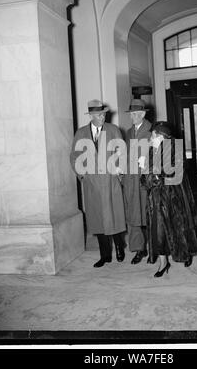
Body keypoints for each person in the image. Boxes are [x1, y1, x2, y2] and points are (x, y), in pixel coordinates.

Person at [140, 121, 197, 277]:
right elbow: (145, 180)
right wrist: (145, 170)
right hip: (156, 198)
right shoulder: (150, 151)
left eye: (153, 134)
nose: (151, 137)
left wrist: (153, 172)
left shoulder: (175, 150)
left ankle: (186, 253)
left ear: (160, 136)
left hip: (174, 198)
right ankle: (163, 263)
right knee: (158, 231)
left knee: (180, 227)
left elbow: (173, 175)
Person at [70, 99, 126, 268]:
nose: (102, 117)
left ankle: (120, 248)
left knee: (114, 217)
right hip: (92, 183)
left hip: (110, 180)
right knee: (98, 220)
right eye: (99, 114)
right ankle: (105, 255)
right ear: (92, 116)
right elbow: (74, 156)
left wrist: (119, 172)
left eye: (104, 114)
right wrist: (83, 176)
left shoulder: (113, 130)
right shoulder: (80, 134)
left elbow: (122, 153)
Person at [122, 99, 152, 264]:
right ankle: (139, 250)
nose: (131, 117)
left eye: (134, 114)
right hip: (130, 181)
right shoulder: (127, 133)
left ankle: (155, 249)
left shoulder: (152, 131)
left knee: (150, 216)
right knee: (133, 217)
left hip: (145, 180)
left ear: (143, 114)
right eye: (131, 114)